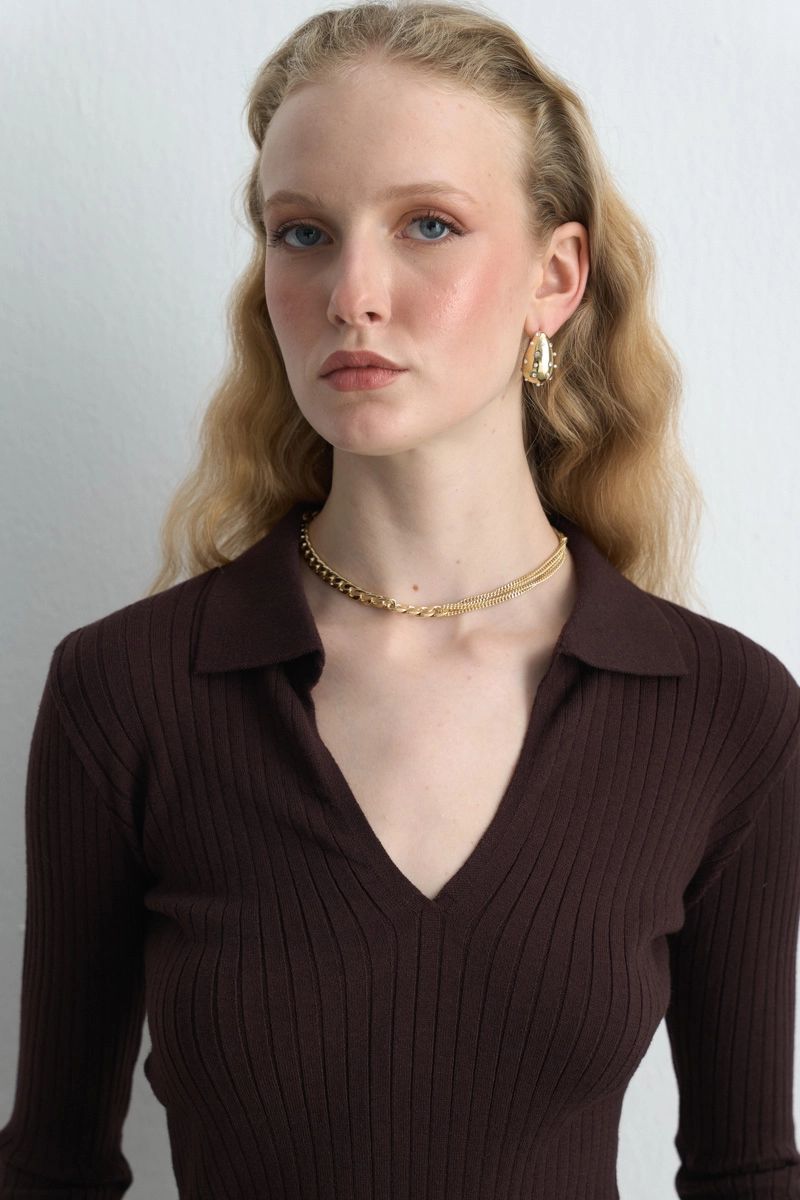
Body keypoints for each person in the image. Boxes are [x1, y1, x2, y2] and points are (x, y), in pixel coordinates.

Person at [2, 0, 799, 1196]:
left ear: (554, 278)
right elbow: (51, 1169)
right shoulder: (127, 692)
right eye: (303, 233)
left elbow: (748, 1173)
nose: (351, 293)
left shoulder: (721, 710)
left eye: (428, 224)